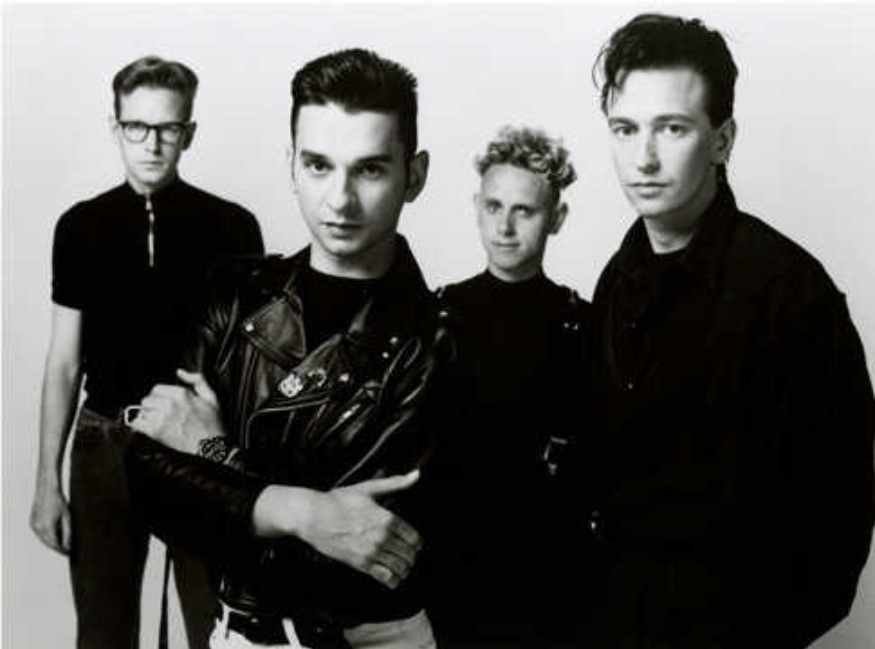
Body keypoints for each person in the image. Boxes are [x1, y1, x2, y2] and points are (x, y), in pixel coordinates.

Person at [122, 48, 458, 649]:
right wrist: (306, 511)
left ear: (415, 175)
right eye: (319, 165)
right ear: (291, 165)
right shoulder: (236, 293)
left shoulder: (435, 345)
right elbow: (149, 487)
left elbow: (351, 554)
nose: (340, 200)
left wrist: (212, 451)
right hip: (236, 634)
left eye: (370, 170)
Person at [586, 13, 875, 648]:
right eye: (625, 129)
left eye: (672, 128)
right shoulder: (616, 280)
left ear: (722, 140)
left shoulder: (792, 295)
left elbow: (838, 526)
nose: (643, 157)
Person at [28, 56, 264, 649]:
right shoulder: (80, 227)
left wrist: (234, 463)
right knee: (103, 634)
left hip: (195, 444)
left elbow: (248, 361)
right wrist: (46, 481)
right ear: (115, 127)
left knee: (216, 628)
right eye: (137, 127)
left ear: (190, 132)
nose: (152, 143)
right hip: (105, 441)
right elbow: (64, 363)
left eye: (168, 128)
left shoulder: (234, 227)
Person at [427, 125, 591, 647]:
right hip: (449, 576)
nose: (504, 226)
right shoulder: (436, 316)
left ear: (557, 218)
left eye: (525, 211)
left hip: (551, 581)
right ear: (476, 207)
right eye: (494, 206)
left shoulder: (584, 326)